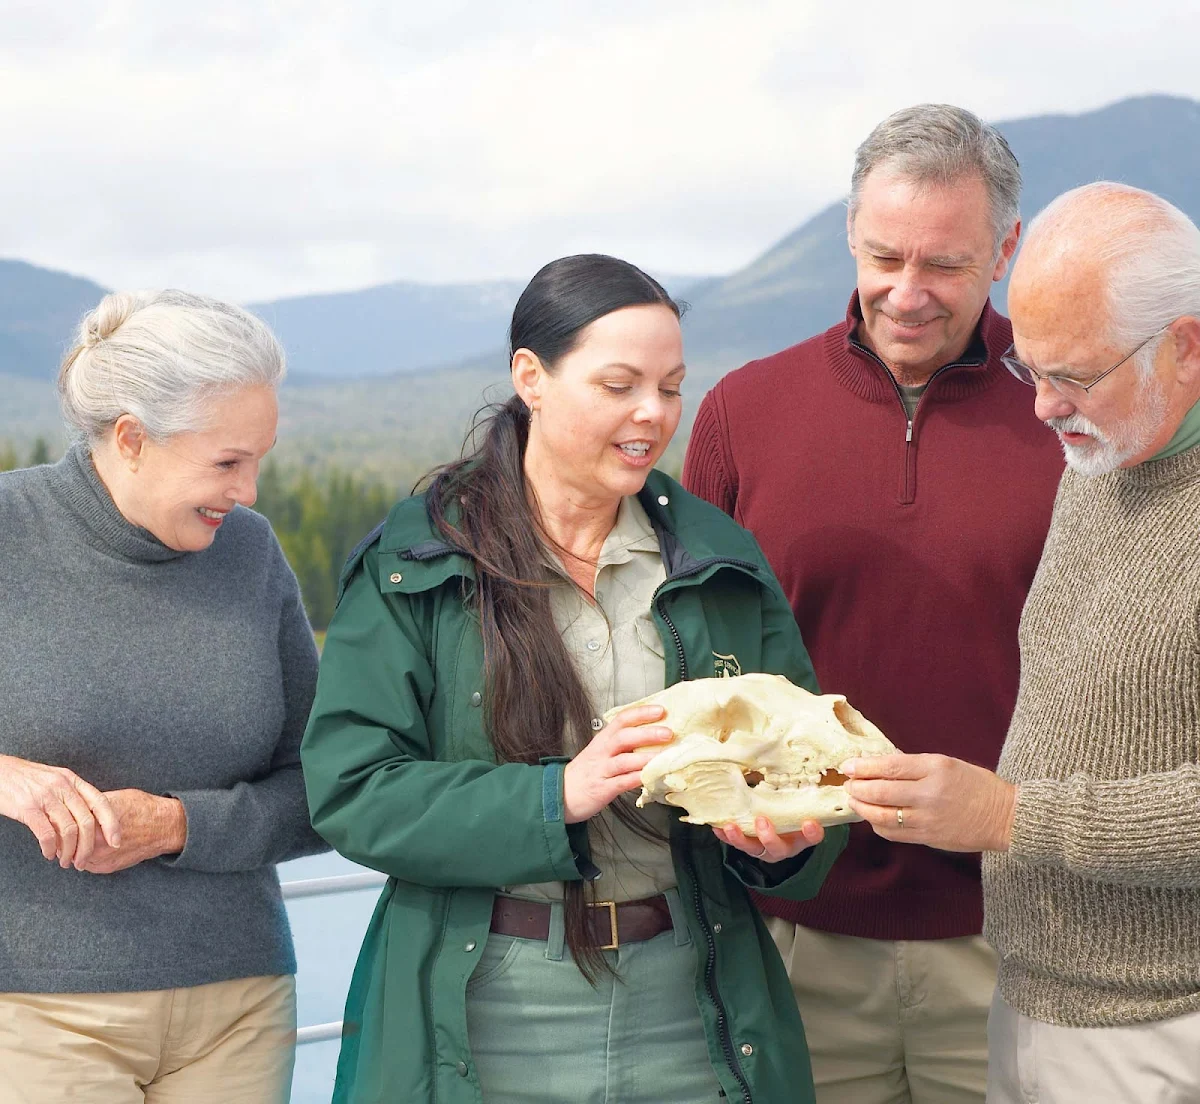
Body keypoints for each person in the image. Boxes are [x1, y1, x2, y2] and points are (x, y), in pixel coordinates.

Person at [300, 254, 848, 1104]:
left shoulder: (722, 559)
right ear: (532, 377)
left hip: (692, 1007)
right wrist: (558, 795)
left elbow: (812, 768)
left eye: (671, 387)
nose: (653, 415)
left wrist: (785, 840)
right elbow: (354, 790)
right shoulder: (416, 561)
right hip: (487, 1015)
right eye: (620, 384)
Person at [682, 104, 1065, 1103]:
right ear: (850, 232)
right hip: (795, 936)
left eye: (943, 265)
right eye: (883, 255)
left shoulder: (1074, 409)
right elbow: (688, 657)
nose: (906, 293)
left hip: (1023, 940)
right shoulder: (741, 414)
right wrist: (730, 803)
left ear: (1006, 250)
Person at [841, 181, 1200, 1103]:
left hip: (1163, 1028)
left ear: (1187, 345)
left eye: (1072, 377)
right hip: (1037, 1000)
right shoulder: (1107, 453)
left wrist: (1011, 819)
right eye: (1027, 370)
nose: (1042, 409)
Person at [0, 290, 327, 1103]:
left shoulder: (249, 553)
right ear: (133, 439)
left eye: (260, 459)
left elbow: (324, 785)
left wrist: (180, 825)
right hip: (35, 1010)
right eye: (226, 462)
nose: (248, 491)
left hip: (242, 1007)